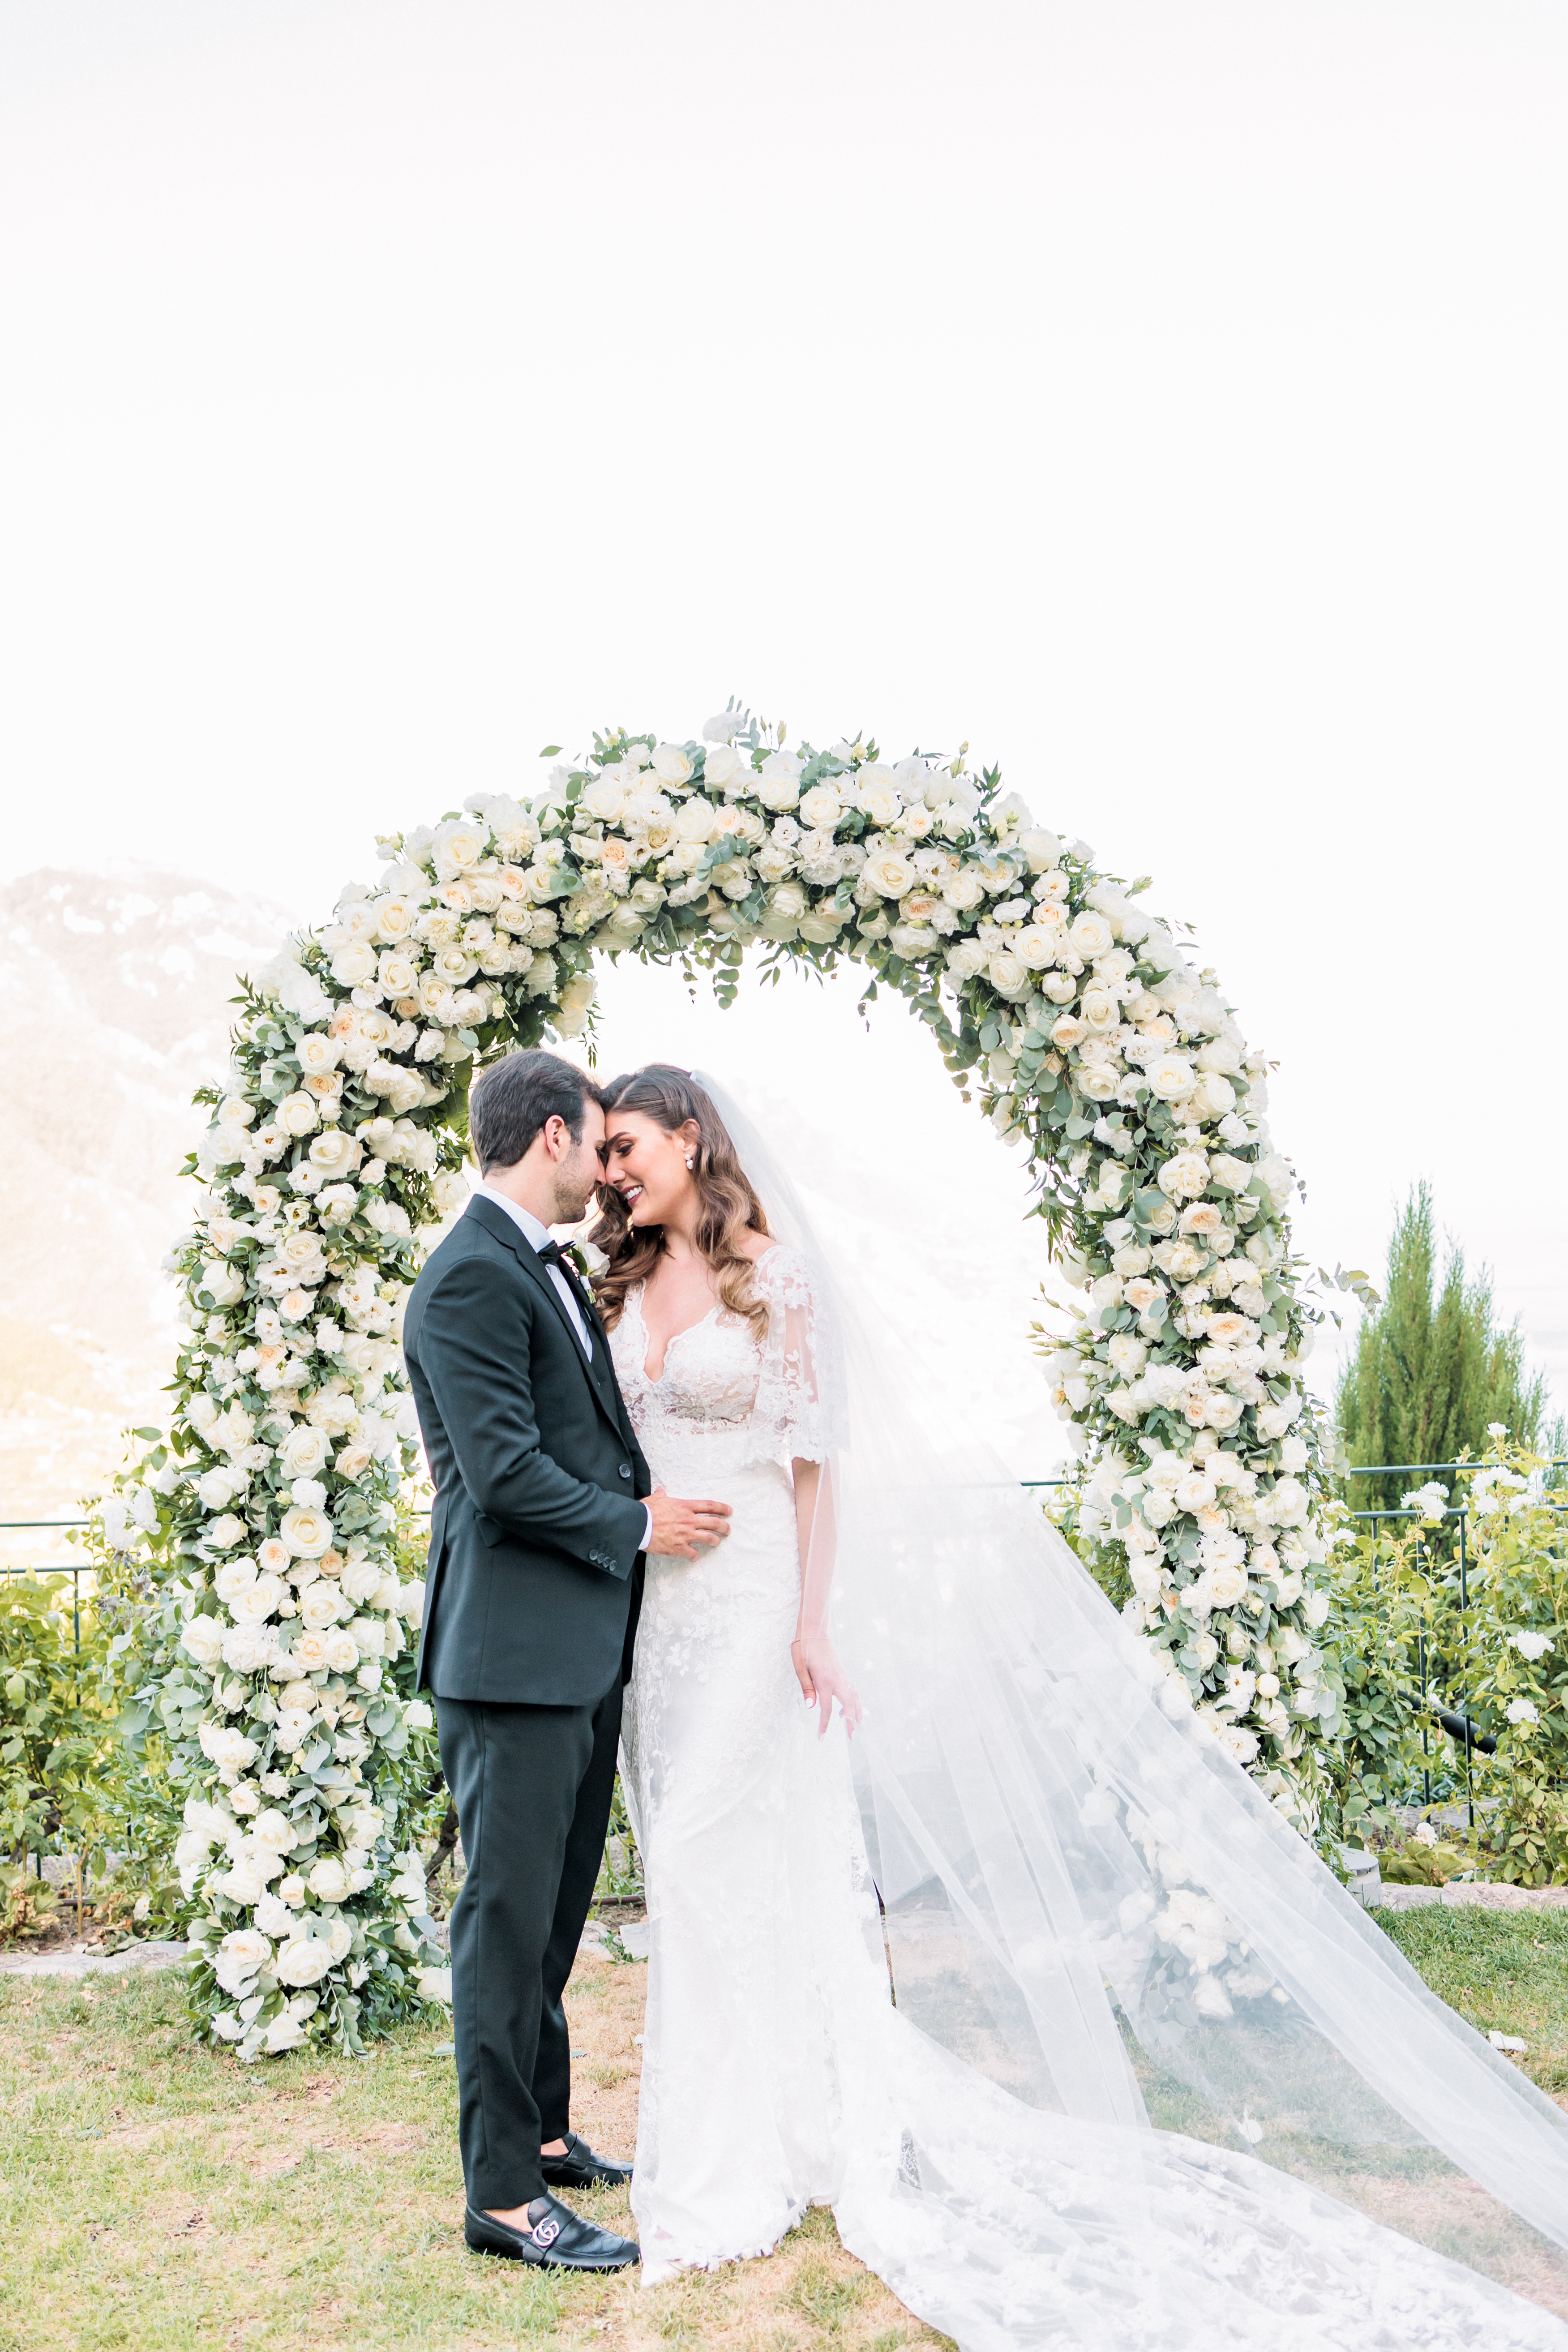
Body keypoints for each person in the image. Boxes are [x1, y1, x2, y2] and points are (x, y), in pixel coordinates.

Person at [592, 1063, 1568, 2350]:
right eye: (602, 1151)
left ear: (691, 1139)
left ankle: (730, 2161)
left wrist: (814, 1623)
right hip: (664, 1613)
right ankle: (765, 2118)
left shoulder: (774, 1275)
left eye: (629, 1145)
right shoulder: (611, 1275)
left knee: (726, 1848)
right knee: (703, 1865)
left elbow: (818, 1468)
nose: (612, 1169)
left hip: (759, 1589)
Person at [402, 1049, 733, 2271]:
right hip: (510, 1657)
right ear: (552, 1135)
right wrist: (641, 1526)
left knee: (548, 1921)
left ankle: (542, 2137)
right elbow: (500, 1475)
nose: (606, 1167)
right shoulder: (468, 1280)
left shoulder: (535, 1269)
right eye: (597, 1141)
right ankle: (501, 2195)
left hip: (576, 1649)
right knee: (502, 1921)